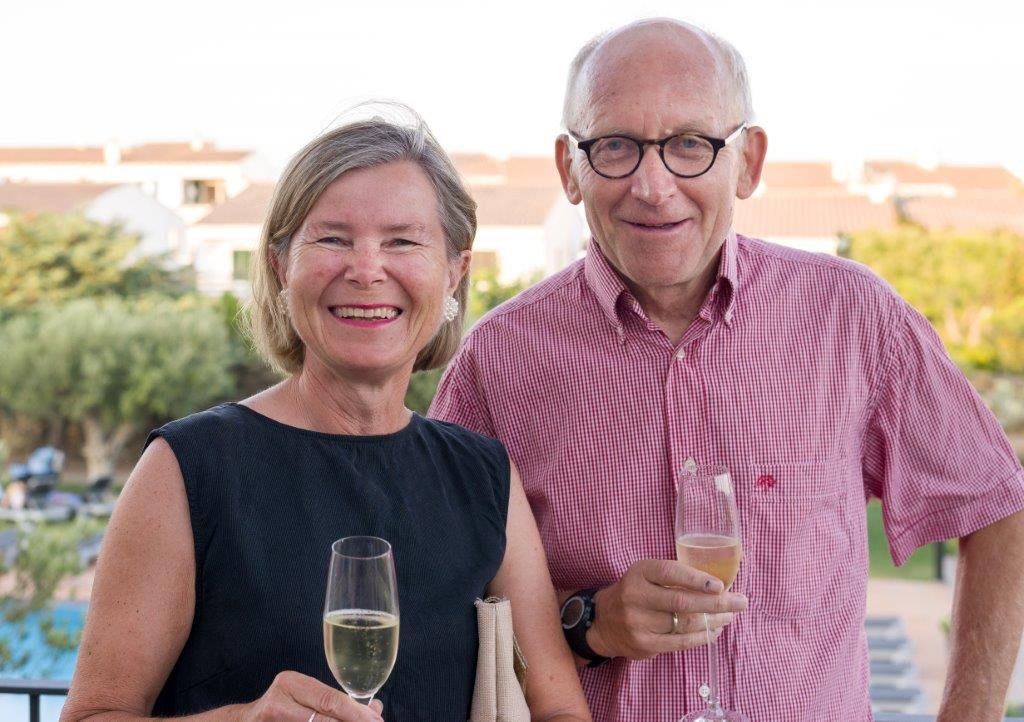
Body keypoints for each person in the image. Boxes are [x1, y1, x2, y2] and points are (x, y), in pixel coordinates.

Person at [429, 18, 1024, 722]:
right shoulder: (499, 360)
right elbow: (443, 606)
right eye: (615, 146)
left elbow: (996, 508)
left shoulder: (853, 317)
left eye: (690, 145)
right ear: (569, 167)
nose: (653, 187)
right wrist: (588, 625)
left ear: (748, 161)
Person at [61, 113, 591, 722]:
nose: (366, 271)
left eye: (402, 241)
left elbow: (559, 709)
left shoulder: (484, 476)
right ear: (282, 267)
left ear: (454, 272)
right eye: (333, 239)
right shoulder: (186, 470)